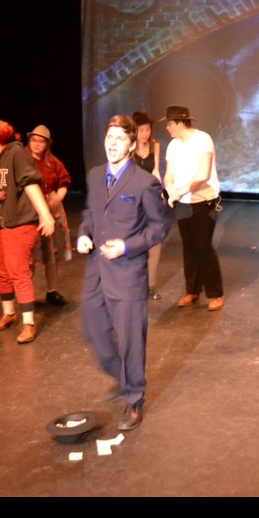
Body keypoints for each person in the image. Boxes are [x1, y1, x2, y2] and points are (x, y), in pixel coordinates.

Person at [77, 115, 172, 431]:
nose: (112, 143)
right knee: (94, 328)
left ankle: (134, 398)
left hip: (128, 273)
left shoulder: (145, 183)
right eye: (109, 137)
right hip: (96, 271)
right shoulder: (94, 175)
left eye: (120, 138)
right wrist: (83, 233)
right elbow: (91, 212)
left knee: (131, 338)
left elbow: (159, 227)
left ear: (132, 146)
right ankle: (122, 375)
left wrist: (127, 247)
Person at [0, 120, 56, 344]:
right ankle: (9, 313)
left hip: (20, 221)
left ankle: (29, 323)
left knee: (18, 270)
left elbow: (30, 184)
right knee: (0, 267)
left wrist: (45, 214)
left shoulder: (16, 154)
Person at [160, 105, 225, 312]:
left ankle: (215, 293)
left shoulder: (202, 139)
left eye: (170, 123)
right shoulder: (173, 145)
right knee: (189, 246)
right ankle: (192, 291)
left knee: (203, 246)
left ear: (180, 123)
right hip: (183, 202)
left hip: (203, 199)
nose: (168, 127)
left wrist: (180, 191)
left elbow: (203, 174)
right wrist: (170, 188)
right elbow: (169, 173)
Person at [26, 125, 72, 306]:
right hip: (29, 208)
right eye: (34, 140)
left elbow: (64, 181)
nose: (37, 144)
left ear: (47, 144)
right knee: (29, 253)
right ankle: (26, 294)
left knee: (52, 252)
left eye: (41, 141)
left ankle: (52, 291)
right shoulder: (23, 161)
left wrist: (57, 198)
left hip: (51, 206)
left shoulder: (53, 162)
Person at [132, 111, 164, 300]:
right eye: (141, 130)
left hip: (150, 197)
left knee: (154, 241)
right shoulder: (129, 148)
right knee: (135, 242)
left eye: (147, 129)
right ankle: (135, 284)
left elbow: (155, 170)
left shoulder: (155, 145)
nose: (145, 133)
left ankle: (150, 285)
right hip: (134, 200)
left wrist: (159, 191)